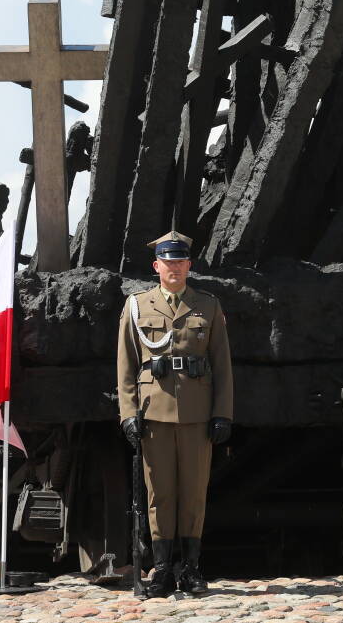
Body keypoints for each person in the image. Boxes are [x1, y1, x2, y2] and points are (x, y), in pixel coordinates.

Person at [117, 231, 234, 598]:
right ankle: (163, 570)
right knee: (160, 495)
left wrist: (222, 413)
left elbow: (222, 365)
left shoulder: (208, 306)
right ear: (157, 266)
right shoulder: (137, 306)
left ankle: (191, 569)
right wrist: (128, 413)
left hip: (197, 414)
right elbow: (126, 365)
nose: (175, 268)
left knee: (194, 494)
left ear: (189, 266)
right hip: (154, 413)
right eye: (168, 262)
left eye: (180, 262)